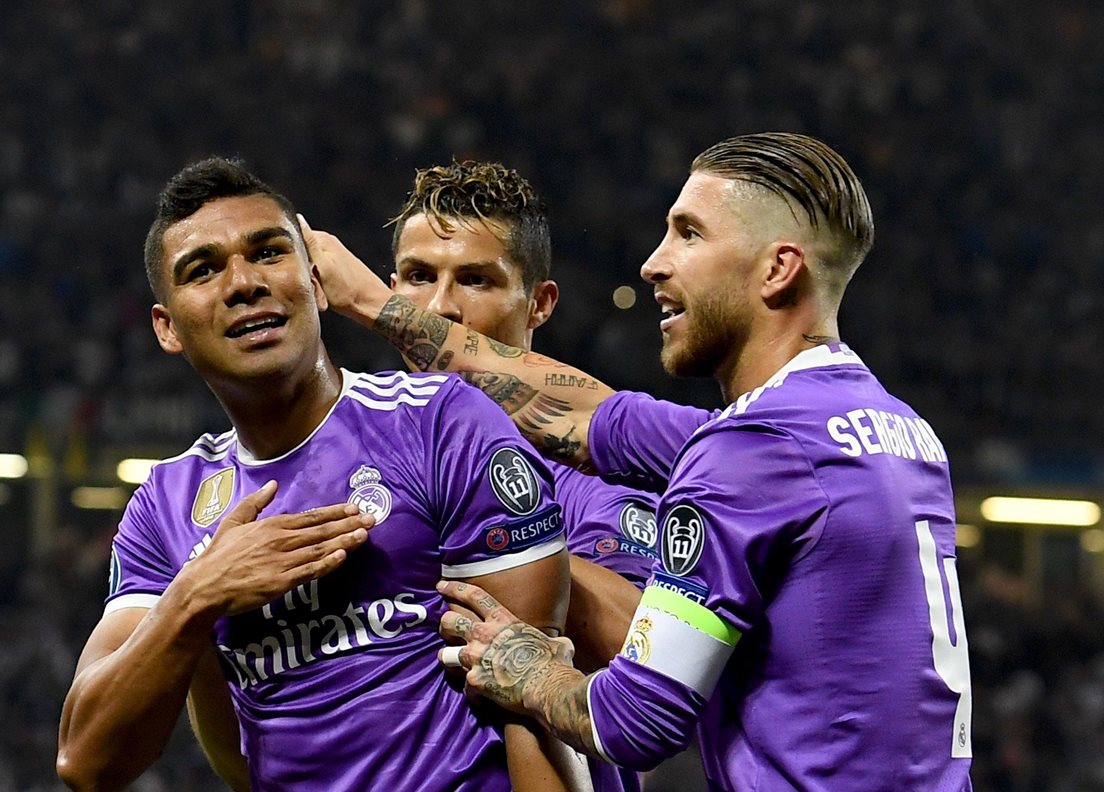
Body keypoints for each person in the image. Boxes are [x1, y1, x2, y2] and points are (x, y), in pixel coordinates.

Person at [302, 132, 973, 790]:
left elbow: (635, 720)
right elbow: (585, 415)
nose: (654, 263)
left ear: (777, 268)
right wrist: (377, 306)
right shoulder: (886, 429)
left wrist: (528, 663)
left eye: (689, 234)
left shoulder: (751, 454)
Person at [55, 157, 574, 792]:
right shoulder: (166, 503)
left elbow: (532, 703)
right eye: (203, 269)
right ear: (167, 328)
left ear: (317, 282)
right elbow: (87, 761)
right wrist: (197, 597)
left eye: (268, 252)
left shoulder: (441, 423)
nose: (242, 283)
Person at [387, 160, 666, 791]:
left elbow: (651, 656)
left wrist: (497, 551)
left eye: (476, 280)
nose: (438, 307)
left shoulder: (589, 481)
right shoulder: (346, 465)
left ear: (538, 303)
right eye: (417, 277)